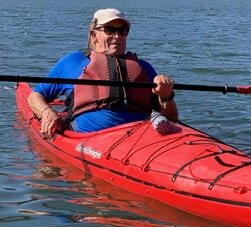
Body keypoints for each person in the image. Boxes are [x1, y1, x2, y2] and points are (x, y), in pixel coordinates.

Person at [28, 8, 178, 139]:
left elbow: (172, 119)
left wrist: (166, 96)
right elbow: (36, 95)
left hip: (140, 138)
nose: (117, 36)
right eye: (109, 30)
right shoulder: (73, 61)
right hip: (90, 140)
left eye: (123, 31)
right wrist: (47, 112)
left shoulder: (144, 67)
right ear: (94, 35)